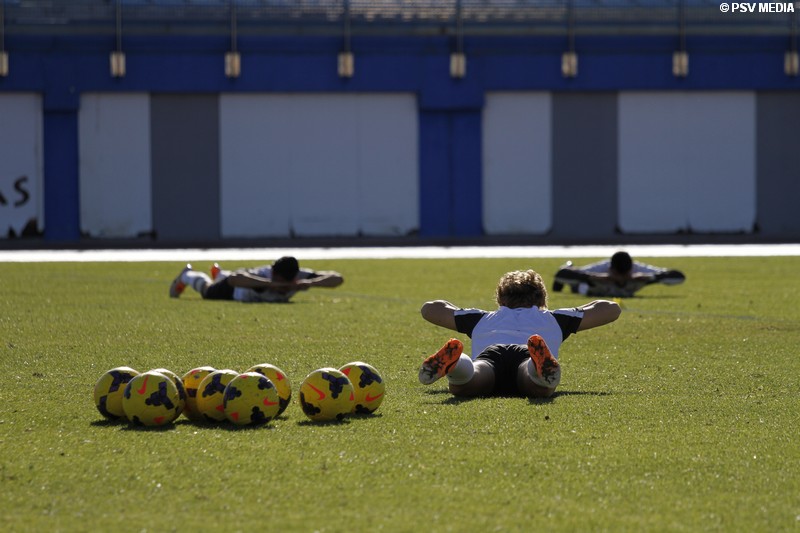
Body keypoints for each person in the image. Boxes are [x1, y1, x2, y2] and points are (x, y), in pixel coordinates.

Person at [418, 269, 620, 398]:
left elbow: (430, 308)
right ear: (541, 299)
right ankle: (537, 366)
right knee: (537, 386)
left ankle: (457, 364)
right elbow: (611, 309)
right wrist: (574, 311)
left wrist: (460, 311)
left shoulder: (481, 319)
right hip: (527, 352)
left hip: (491, 355)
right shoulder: (556, 319)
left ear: (500, 300)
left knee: (467, 383)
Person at [168, 256, 344, 303]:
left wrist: (311, 283)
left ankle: (219, 272)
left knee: (224, 277)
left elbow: (338, 279)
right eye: (278, 280)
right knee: (207, 291)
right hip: (234, 291)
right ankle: (187, 274)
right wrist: (270, 284)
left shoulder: (300, 276)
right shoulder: (265, 275)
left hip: (239, 282)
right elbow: (236, 279)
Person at [552, 251, 685, 298]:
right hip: (584, 288)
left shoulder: (638, 270)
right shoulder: (602, 268)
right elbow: (562, 273)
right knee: (572, 278)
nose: (620, 278)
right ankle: (569, 265)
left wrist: (652, 278)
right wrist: (593, 277)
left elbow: (678, 276)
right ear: (611, 268)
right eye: (617, 274)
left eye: (624, 275)